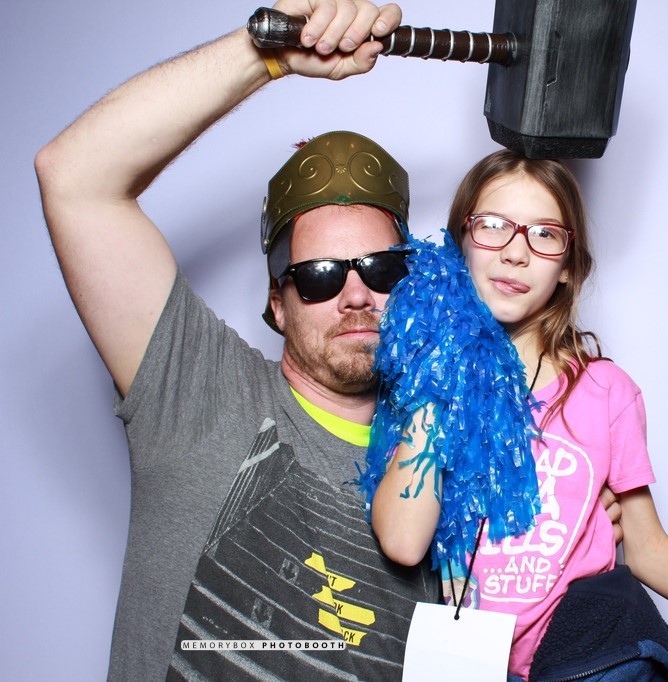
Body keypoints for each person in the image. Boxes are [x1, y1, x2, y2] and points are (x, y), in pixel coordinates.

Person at [35, 1, 432, 679]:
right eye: (320, 276)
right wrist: (265, 56)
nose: (356, 294)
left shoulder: (441, 453)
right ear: (277, 302)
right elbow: (75, 176)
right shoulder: (199, 391)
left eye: (382, 269)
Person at [366, 151, 668, 680]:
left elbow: (649, 549)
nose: (516, 253)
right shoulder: (421, 377)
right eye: (493, 226)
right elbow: (404, 543)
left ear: (568, 266)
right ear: (460, 244)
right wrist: (440, 369)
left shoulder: (606, 393)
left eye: (544, 234)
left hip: (584, 660)